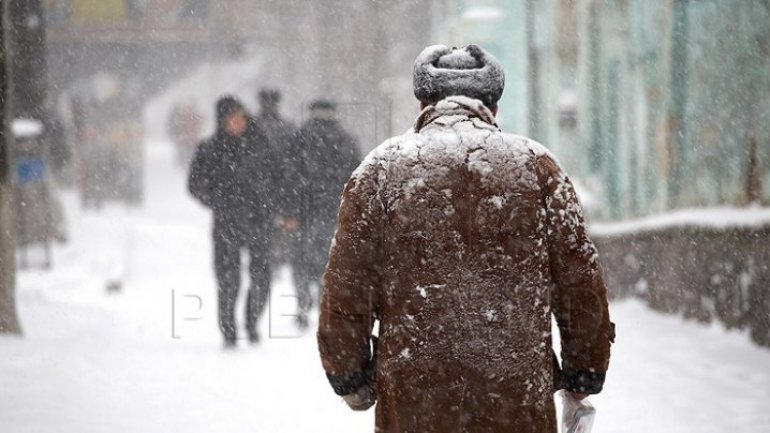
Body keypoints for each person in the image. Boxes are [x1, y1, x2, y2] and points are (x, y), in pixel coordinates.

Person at [317, 45, 615, 432]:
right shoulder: (538, 168)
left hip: (414, 402)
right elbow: (579, 283)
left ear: (422, 101)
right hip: (516, 399)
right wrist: (583, 373)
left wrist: (350, 377)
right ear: (494, 105)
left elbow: (347, 287)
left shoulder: (380, 171)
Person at [188, 96, 274, 348]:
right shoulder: (210, 148)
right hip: (226, 222)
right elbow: (194, 184)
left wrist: (272, 203)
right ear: (221, 122)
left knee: (261, 276)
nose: (237, 123)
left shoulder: (261, 145)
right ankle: (228, 329)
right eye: (231, 119)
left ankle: (252, 322)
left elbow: (279, 177)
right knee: (228, 279)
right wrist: (215, 199)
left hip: (259, 219)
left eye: (240, 117)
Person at [293, 99, 361, 328]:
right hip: (334, 209)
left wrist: (288, 208)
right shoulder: (347, 139)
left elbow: (287, 174)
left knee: (301, 259)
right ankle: (326, 305)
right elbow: (356, 176)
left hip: (304, 209)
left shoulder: (299, 137)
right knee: (329, 259)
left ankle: (302, 305)